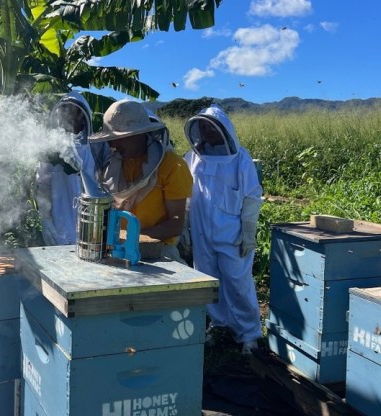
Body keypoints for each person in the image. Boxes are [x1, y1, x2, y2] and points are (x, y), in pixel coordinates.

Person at [183, 104, 263, 355]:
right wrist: (184, 228)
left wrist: (248, 232)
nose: (206, 131)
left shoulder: (240, 158)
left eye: (211, 127)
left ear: (223, 129)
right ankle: (219, 324)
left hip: (231, 234)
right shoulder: (193, 157)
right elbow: (185, 194)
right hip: (201, 232)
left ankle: (249, 334)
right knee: (208, 280)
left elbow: (251, 196)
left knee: (238, 284)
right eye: (203, 127)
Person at [89, 99, 192, 262]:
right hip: (117, 249)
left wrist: (134, 238)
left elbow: (175, 224)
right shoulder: (115, 164)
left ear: (139, 134)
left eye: (120, 138)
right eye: (110, 138)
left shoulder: (173, 165)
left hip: (158, 253)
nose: (113, 145)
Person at [35, 91, 95, 245]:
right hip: (59, 224)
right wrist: (45, 218)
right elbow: (43, 185)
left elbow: (104, 188)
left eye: (71, 110)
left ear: (83, 115)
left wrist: (81, 174)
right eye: (63, 109)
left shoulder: (96, 148)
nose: (66, 114)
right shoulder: (50, 148)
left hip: (90, 227)